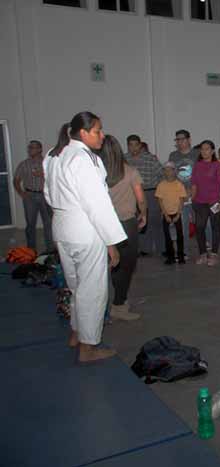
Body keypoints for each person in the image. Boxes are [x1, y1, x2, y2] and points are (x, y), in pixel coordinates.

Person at [43, 112, 126, 362]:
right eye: (97, 131)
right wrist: (111, 242)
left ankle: (76, 333)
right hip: (86, 229)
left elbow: (48, 193)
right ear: (83, 132)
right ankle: (89, 347)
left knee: (77, 287)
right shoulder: (84, 158)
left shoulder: (54, 154)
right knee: (92, 290)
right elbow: (97, 204)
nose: (102, 135)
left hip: (63, 227)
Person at [99, 135, 146, 321]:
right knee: (126, 265)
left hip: (102, 224)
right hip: (126, 223)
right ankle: (119, 304)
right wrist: (144, 214)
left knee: (107, 265)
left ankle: (107, 305)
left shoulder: (96, 173)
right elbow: (141, 198)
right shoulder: (130, 171)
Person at [124, 134, 163, 257]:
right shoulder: (124, 159)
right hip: (131, 194)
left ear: (140, 145)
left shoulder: (150, 158)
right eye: (131, 145)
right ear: (128, 146)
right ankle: (144, 249)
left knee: (154, 221)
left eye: (136, 145)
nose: (134, 148)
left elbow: (161, 173)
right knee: (138, 222)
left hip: (150, 191)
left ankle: (161, 248)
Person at [13, 139, 52, 251]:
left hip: (45, 195)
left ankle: (50, 250)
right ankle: (31, 250)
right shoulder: (24, 164)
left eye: (32, 147)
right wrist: (21, 193)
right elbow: (16, 180)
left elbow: (55, 179)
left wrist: (43, 175)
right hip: (29, 196)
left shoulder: (47, 162)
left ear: (40, 149)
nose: (29, 150)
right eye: (29, 148)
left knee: (48, 223)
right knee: (30, 224)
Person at [191, 140, 220, 266]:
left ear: (212, 151)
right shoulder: (197, 165)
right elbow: (194, 184)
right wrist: (192, 200)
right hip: (199, 202)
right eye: (202, 149)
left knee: (216, 226)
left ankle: (214, 254)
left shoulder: (217, 165)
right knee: (199, 227)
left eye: (207, 149)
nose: (204, 151)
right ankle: (203, 254)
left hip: (215, 202)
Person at [156, 161, 187, 264]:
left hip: (177, 213)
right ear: (164, 172)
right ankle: (170, 257)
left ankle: (181, 255)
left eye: (170, 170)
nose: (168, 172)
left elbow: (182, 200)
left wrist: (178, 214)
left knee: (179, 236)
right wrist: (165, 214)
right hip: (166, 214)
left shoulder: (179, 185)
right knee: (167, 236)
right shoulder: (161, 185)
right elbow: (160, 200)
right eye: (166, 170)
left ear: (174, 172)